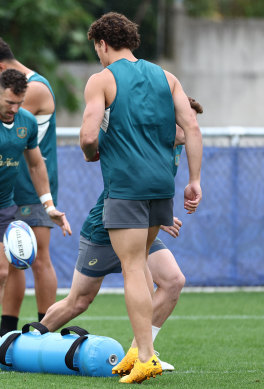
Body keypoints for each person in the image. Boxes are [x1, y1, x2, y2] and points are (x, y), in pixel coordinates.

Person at [79, 13, 203, 383]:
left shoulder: (101, 80)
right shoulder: (167, 77)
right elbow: (192, 127)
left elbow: (88, 138)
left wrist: (92, 153)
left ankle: (145, 355)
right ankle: (141, 350)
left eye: (96, 49)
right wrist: (194, 180)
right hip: (162, 185)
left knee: (134, 268)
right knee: (143, 266)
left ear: (102, 44)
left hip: (126, 186)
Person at [41, 97, 204, 373]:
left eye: (194, 121)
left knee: (173, 281)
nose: (191, 126)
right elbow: (126, 187)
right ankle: (29, 341)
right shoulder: (145, 143)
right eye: (185, 121)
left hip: (142, 226)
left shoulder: (176, 148)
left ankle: (143, 353)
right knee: (78, 301)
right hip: (106, 227)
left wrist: (159, 216)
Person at [0, 68, 71, 356]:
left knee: (0, 272)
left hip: (3, 206)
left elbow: (36, 165)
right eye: (9, 102)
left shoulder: (26, 122)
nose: (14, 109)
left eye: (20, 102)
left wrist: (49, 205)